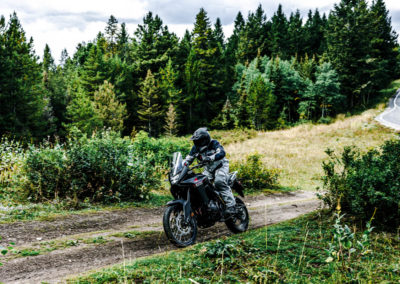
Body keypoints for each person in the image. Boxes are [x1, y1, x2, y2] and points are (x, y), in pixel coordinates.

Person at [183, 127, 236, 216]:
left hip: (221, 166)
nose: (197, 143)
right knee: (200, 184)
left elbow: (222, 153)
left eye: (199, 140)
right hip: (208, 170)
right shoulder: (195, 147)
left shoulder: (214, 143)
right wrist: (181, 165)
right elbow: (189, 159)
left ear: (205, 139)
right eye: (196, 141)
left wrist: (211, 157)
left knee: (219, 182)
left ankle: (231, 206)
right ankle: (208, 205)